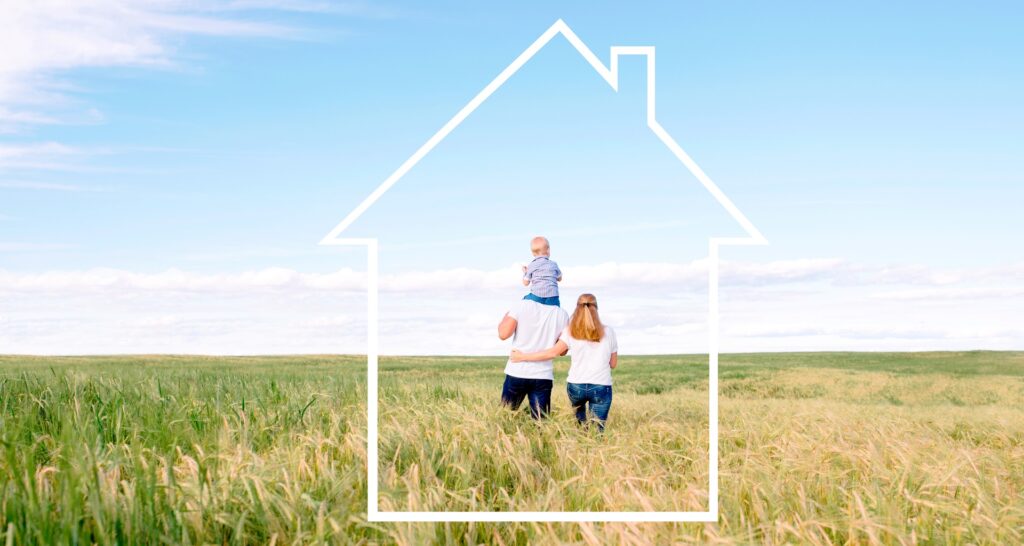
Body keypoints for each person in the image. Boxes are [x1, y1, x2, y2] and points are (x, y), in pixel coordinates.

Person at [511, 293, 617, 431]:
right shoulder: (609, 332)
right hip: (601, 385)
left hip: (576, 386)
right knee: (597, 430)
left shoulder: (570, 331)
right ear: (596, 308)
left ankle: (581, 439)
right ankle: (594, 447)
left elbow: (553, 352)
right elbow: (613, 364)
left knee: (581, 426)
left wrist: (522, 357)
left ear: (577, 308)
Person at [497, 290, 569, 419]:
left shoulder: (521, 305)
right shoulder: (562, 314)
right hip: (543, 375)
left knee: (504, 418)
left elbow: (503, 334)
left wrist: (507, 316)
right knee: (541, 424)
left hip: (517, 371)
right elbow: (562, 351)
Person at [521, 236, 562, 307]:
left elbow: (525, 283)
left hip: (536, 297)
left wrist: (525, 272)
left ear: (533, 253)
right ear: (548, 250)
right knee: (556, 308)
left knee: (524, 301)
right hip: (553, 297)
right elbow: (560, 278)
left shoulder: (532, 265)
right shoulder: (553, 264)